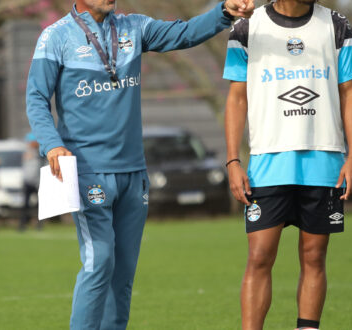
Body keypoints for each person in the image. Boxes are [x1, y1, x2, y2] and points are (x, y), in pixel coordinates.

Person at [25, 0, 255, 328]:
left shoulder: (134, 27)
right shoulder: (55, 37)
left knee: (122, 276)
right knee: (99, 261)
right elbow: (35, 97)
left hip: (134, 174)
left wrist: (224, 12)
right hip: (89, 172)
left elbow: (185, 33)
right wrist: (53, 145)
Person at [222, 0, 352, 329]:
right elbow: (236, 97)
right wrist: (232, 160)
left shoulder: (337, 25)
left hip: (324, 159)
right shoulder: (247, 27)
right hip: (267, 161)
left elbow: (350, 92)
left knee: (314, 257)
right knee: (259, 257)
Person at [19, 133, 44, 232]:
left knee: (39, 205)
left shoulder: (40, 153)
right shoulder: (26, 152)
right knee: (25, 204)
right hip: (27, 181)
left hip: (38, 181)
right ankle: (22, 224)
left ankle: (39, 224)